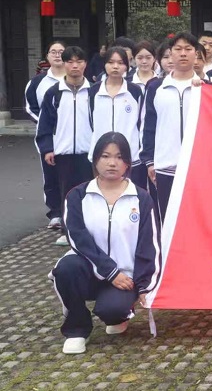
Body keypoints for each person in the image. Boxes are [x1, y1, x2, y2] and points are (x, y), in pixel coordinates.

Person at [50, 132, 161, 355]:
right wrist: (110, 271)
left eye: (119, 157)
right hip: (88, 270)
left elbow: (150, 245)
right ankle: (77, 329)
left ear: (128, 163)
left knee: (113, 311)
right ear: (95, 160)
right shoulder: (77, 196)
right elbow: (78, 238)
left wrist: (144, 285)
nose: (112, 163)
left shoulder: (141, 198)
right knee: (66, 269)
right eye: (105, 156)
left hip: (124, 277)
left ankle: (118, 314)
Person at [36, 46, 95, 246]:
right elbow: (45, 124)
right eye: (70, 61)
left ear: (85, 64)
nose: (75, 66)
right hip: (63, 152)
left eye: (79, 61)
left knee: (90, 193)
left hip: (89, 152)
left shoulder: (94, 91)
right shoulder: (54, 93)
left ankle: (89, 231)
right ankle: (67, 231)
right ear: (65, 64)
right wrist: (47, 148)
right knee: (67, 193)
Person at [141, 33, 201, 218]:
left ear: (196, 54)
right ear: (170, 53)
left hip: (198, 167)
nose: (183, 53)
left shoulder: (206, 88)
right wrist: (150, 161)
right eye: (178, 49)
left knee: (197, 218)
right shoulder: (155, 88)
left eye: (188, 49)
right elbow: (148, 125)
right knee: (167, 219)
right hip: (165, 165)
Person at [88, 47, 146, 190]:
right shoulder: (94, 91)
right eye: (111, 62)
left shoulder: (134, 91)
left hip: (130, 154)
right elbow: (91, 121)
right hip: (101, 154)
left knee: (131, 193)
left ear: (127, 65)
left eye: (120, 63)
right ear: (104, 64)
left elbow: (141, 122)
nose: (115, 67)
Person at [25, 41, 66, 229]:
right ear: (47, 56)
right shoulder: (37, 82)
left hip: (72, 136)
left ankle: (72, 211)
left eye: (61, 52)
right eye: (53, 52)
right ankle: (55, 213)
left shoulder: (77, 78)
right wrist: (47, 124)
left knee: (72, 174)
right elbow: (30, 107)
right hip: (48, 137)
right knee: (51, 176)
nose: (57, 55)